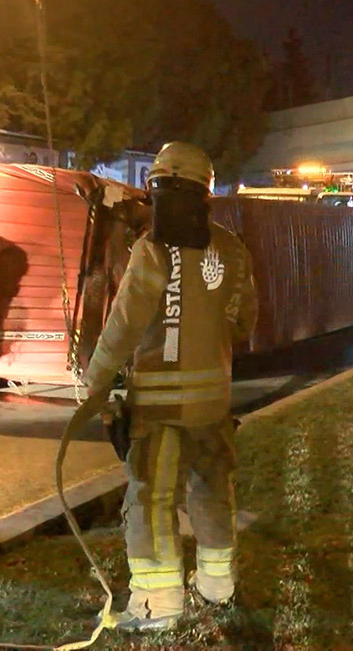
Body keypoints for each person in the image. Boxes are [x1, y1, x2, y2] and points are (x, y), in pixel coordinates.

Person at [82, 141, 258, 631]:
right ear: (207, 192)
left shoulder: (152, 249)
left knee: (152, 499)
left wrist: (95, 382)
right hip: (213, 408)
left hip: (159, 412)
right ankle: (217, 586)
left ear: (154, 189)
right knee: (213, 492)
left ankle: (157, 604)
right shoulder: (231, 249)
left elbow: (123, 324)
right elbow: (244, 321)